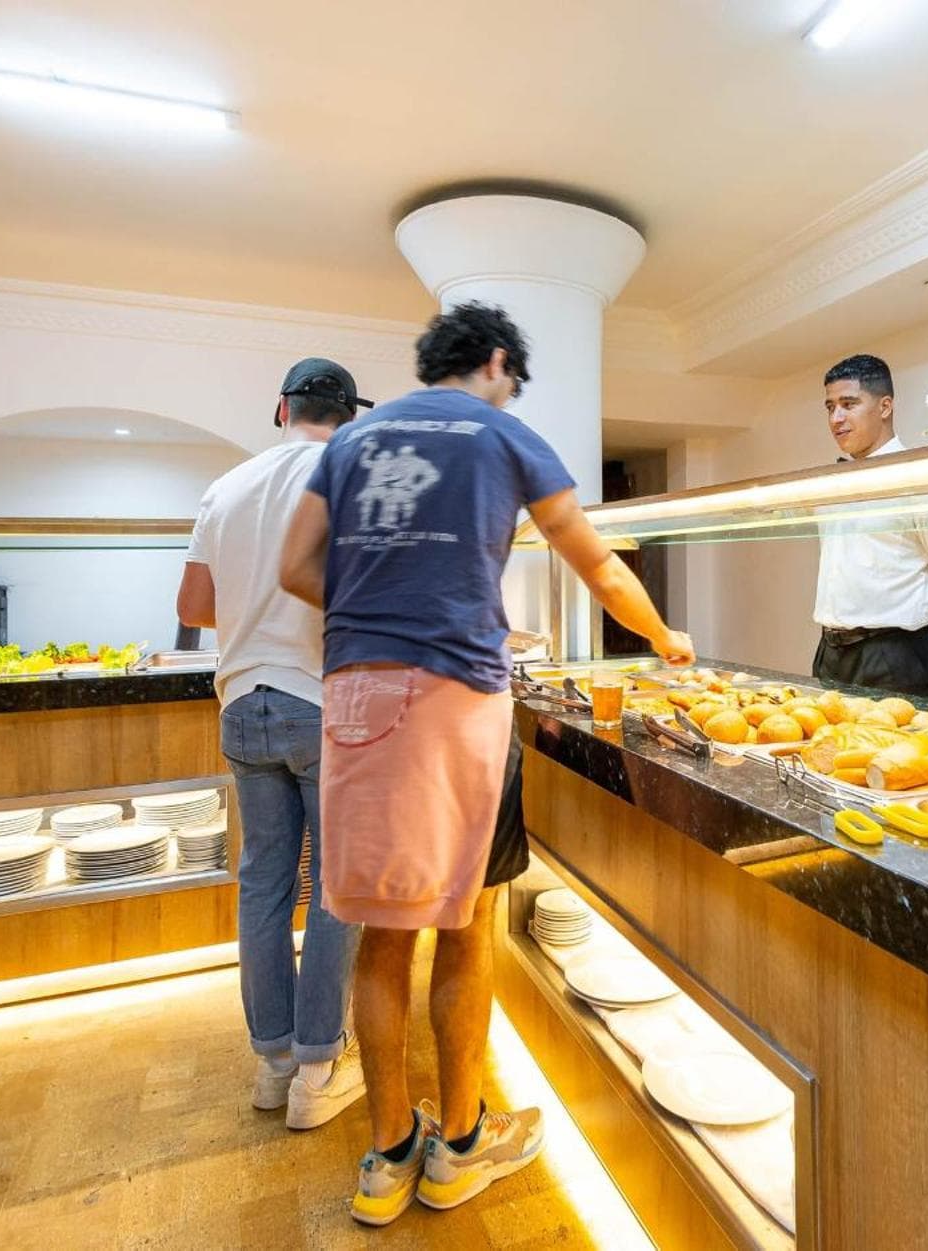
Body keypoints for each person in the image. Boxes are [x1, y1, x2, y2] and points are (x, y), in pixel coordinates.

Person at [279, 301, 695, 1227]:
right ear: (498, 362)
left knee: (381, 928)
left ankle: (388, 1157)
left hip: (354, 692)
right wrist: (667, 637)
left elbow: (295, 567)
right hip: (455, 699)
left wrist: (383, 603)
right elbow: (598, 564)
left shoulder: (352, 440)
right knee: (467, 919)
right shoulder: (503, 434)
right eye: (513, 378)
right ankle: (462, 1145)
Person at [176, 357, 374, 1131]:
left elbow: (193, 604)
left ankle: (274, 1063)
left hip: (241, 703)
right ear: (347, 417)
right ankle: (320, 1070)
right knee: (334, 885)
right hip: (320, 701)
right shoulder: (348, 474)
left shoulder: (226, 486)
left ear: (281, 409)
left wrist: (253, 605)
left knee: (263, 881)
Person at [812, 354, 928, 699]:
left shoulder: (917, 480)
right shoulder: (831, 484)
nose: (836, 418)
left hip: (892, 656)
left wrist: (910, 637)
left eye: (849, 404)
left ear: (885, 406)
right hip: (829, 651)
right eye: (830, 407)